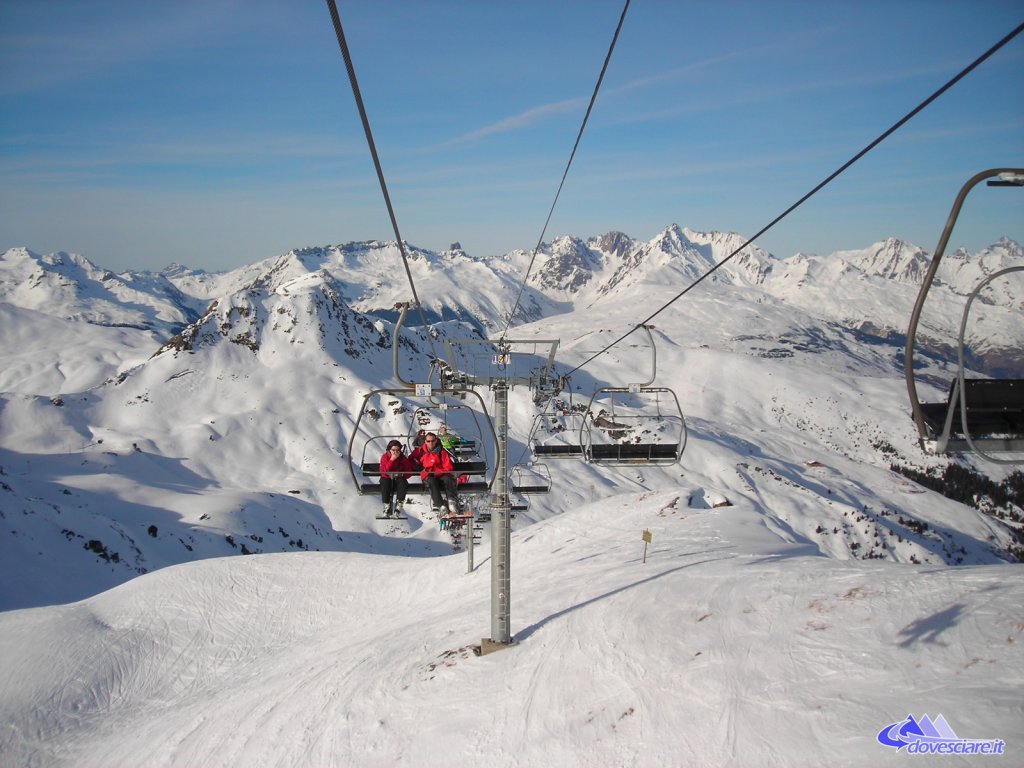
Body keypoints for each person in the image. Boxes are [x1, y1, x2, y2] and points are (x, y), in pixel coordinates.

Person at [409, 432, 460, 515]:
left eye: (432, 441)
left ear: (436, 441)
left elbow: (448, 467)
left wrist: (438, 470)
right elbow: (411, 459)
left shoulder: (441, 452)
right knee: (431, 481)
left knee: (448, 478)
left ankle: (452, 501)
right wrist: (417, 465)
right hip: (428, 475)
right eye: (428, 441)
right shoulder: (420, 451)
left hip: (440, 475)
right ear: (425, 441)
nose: (431, 443)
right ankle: (440, 505)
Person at [379, 440, 414, 517]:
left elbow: (409, 471)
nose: (395, 452)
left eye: (397, 450)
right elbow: (384, 472)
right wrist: (391, 460)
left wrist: (402, 474)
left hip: (398, 479)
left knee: (402, 482)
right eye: (393, 450)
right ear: (389, 450)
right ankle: (386, 506)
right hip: (387, 479)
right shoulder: (385, 457)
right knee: (385, 482)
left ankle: (399, 505)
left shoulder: (403, 458)